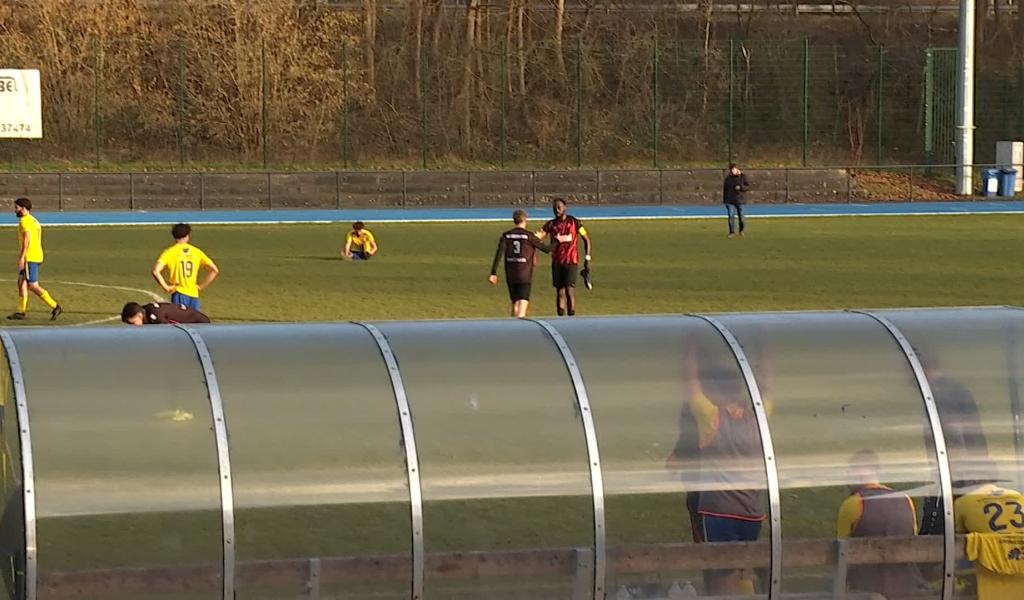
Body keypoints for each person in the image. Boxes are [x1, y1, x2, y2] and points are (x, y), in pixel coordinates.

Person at [679, 342, 769, 595]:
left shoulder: (711, 416)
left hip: (719, 511)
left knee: (720, 573)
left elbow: (691, 386)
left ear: (718, 391)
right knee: (744, 568)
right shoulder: (758, 419)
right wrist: (764, 348)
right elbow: (769, 389)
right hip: (752, 512)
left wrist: (690, 350)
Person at [836, 449, 927, 597]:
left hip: (866, 589)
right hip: (907, 587)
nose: (847, 477)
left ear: (861, 472)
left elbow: (841, 553)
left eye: (850, 471)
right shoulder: (906, 500)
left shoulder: (853, 504)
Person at [953, 460, 1024, 600]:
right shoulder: (1017, 495)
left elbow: (956, 538)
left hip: (988, 573)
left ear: (974, 478)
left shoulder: (962, 502)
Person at [488, 209, 552, 318]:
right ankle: (519, 329)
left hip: (511, 273)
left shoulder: (506, 235)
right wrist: (558, 241)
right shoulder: (529, 236)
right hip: (524, 274)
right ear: (525, 219)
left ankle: (513, 328)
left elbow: (499, 253)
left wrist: (493, 272)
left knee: (515, 304)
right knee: (522, 304)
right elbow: (547, 249)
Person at [7, 198, 62, 321]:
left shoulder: (25, 221)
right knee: (21, 282)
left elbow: (27, 240)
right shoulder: (34, 220)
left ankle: (55, 306)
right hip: (36, 254)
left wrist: (22, 258)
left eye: (17, 208)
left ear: (23, 208)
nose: (15, 211)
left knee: (32, 285)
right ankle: (21, 312)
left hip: (30, 257)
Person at [537, 198, 591, 317]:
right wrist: (539, 243)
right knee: (559, 292)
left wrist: (587, 258)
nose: (556, 210)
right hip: (557, 262)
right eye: (554, 208)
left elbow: (586, 239)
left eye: (559, 208)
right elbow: (538, 237)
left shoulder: (575, 222)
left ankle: (571, 318)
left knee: (569, 290)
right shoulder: (551, 224)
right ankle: (560, 318)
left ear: (565, 208)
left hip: (571, 261)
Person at [152, 223, 219, 311]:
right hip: (194, 294)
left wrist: (166, 287)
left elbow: (155, 271)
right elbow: (214, 270)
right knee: (196, 322)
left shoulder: (170, 252)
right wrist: (201, 286)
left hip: (179, 292)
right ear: (187, 235)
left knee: (180, 321)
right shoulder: (196, 251)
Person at [121, 301, 211, 325]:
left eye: (132, 323)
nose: (132, 327)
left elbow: (168, 333)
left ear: (139, 315)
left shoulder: (155, 316)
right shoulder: (145, 310)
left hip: (200, 324)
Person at [722, 163, 751, 238]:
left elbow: (747, 186)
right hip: (730, 200)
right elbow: (725, 190)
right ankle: (732, 232)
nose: (732, 171)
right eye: (731, 169)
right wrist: (725, 200)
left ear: (737, 169)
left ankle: (741, 231)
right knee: (731, 216)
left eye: (734, 169)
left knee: (741, 217)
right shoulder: (728, 178)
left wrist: (741, 187)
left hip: (740, 200)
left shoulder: (743, 177)